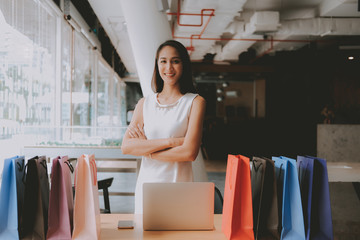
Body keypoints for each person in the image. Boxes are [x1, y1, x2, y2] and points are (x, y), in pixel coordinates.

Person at [121, 40, 206, 214]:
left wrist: (147, 150)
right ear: (157, 64)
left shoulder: (195, 102)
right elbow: (127, 146)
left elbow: (189, 153)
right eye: (163, 61)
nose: (169, 68)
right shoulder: (144, 104)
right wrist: (173, 142)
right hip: (147, 186)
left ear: (184, 65)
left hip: (178, 187)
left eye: (175, 61)